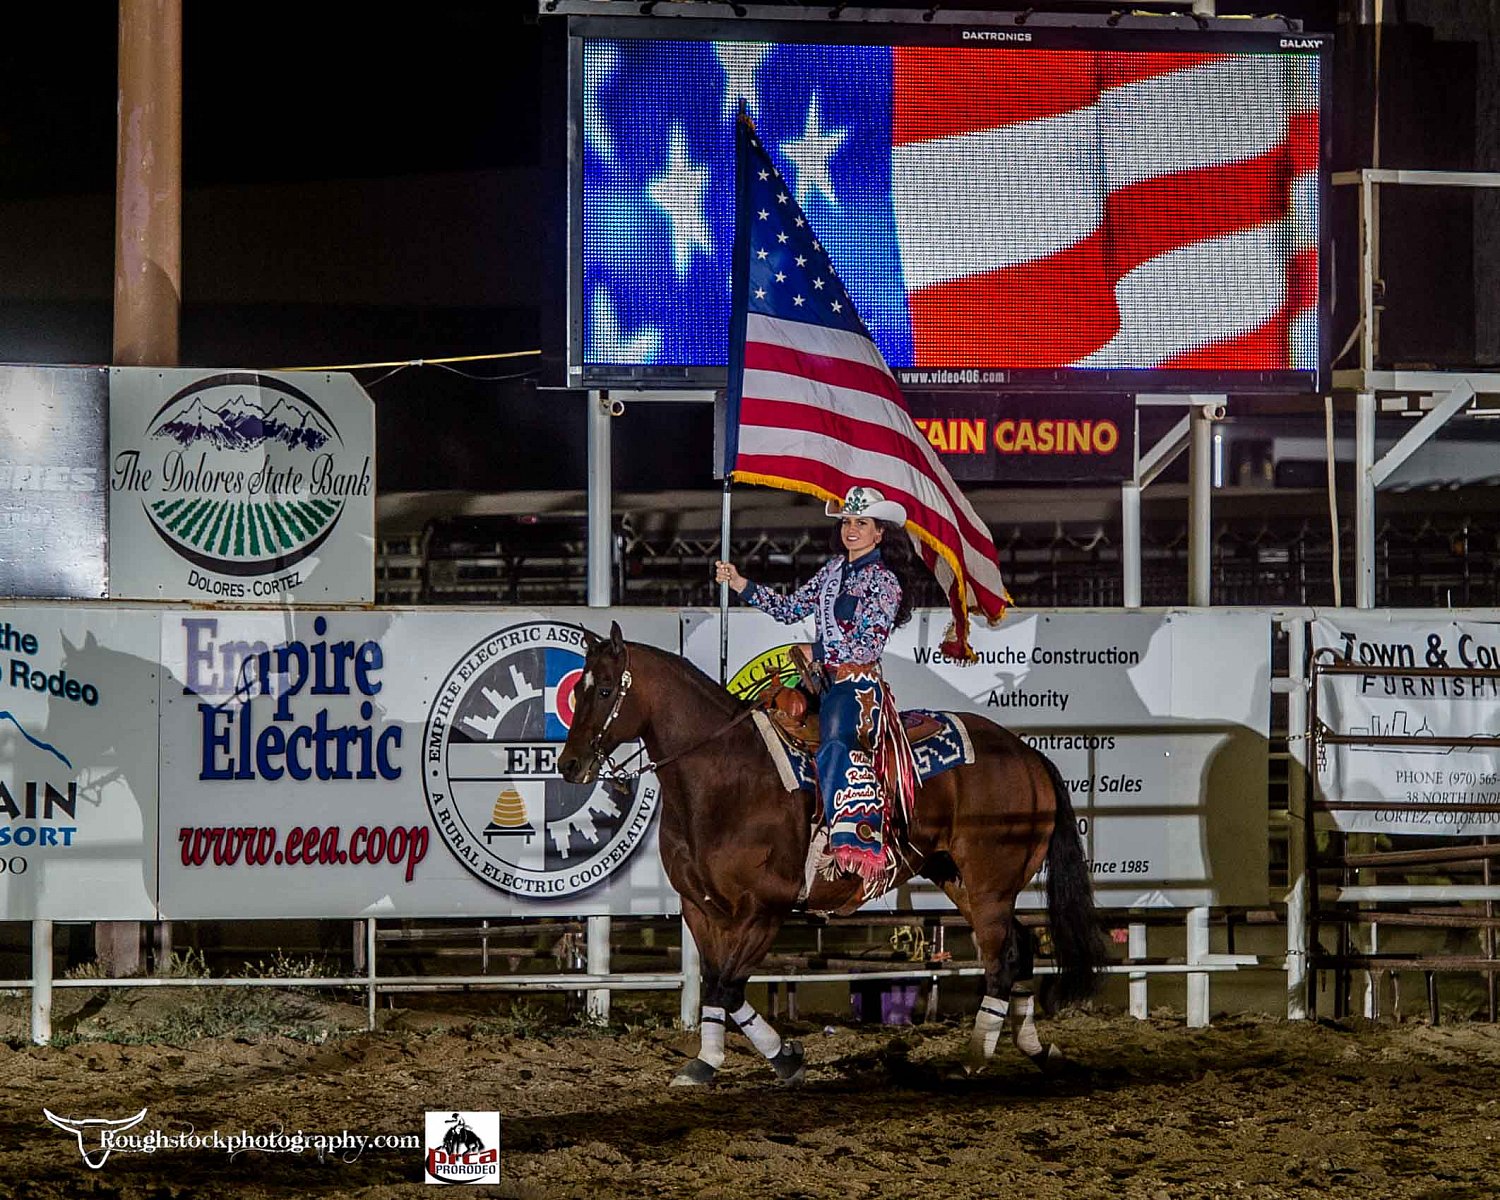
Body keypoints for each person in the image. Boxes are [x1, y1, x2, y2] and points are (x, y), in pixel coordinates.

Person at [715, 485, 919, 881]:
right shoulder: (832, 570)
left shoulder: (885, 582)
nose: (851, 529)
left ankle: (851, 839)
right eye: (847, 522)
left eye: (862, 523)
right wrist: (742, 584)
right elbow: (791, 609)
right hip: (820, 680)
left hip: (854, 687)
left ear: (880, 533)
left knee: (839, 741)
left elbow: (866, 645)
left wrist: (818, 651)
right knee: (767, 721)